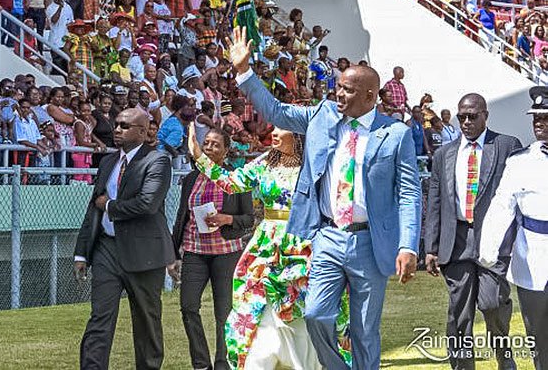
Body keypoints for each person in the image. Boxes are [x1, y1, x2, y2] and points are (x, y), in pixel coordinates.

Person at [228, 26, 421, 369]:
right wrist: (245, 71)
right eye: (338, 88)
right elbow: (275, 111)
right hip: (327, 236)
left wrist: (408, 245)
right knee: (316, 314)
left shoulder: (395, 134)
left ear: (370, 95)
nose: (338, 95)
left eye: (347, 90)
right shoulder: (321, 115)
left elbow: (408, 193)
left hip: (370, 241)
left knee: (364, 331)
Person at [189, 123, 351, 369]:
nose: (273, 134)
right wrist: (199, 156)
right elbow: (232, 183)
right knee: (255, 302)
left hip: (304, 242)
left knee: (304, 304)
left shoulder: (317, 164)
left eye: (281, 129)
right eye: (273, 128)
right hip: (266, 245)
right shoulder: (266, 162)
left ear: (298, 134)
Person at [424, 93, 522, 370]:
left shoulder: (505, 145)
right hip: (455, 241)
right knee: (459, 312)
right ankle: (462, 366)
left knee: (492, 304)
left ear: (485, 115)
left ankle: (504, 357)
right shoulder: (444, 154)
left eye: (472, 116)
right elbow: (435, 201)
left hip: (493, 241)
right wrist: (431, 248)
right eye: (462, 117)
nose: (466, 122)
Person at [74, 108, 174, 370]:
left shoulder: (157, 161)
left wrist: (110, 206)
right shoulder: (108, 162)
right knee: (99, 318)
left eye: (125, 126)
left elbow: (147, 205)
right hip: (107, 248)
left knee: (146, 321)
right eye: (116, 124)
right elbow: (92, 209)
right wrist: (82, 252)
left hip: (144, 252)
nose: (117, 129)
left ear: (143, 131)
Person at [170, 127, 254, 370]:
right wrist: (174, 254)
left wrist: (227, 219)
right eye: (206, 143)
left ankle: (222, 363)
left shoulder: (236, 178)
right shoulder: (190, 178)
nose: (209, 148)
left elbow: (248, 218)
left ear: (225, 151)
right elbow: (181, 217)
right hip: (195, 251)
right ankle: (200, 363)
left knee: (224, 313)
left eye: (216, 145)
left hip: (226, 252)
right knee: (188, 306)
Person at [479, 86, 548, 370]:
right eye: (536, 118)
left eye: (546, 117)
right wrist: (488, 250)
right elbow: (501, 206)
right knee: (539, 335)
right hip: (533, 260)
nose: (539, 123)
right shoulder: (519, 161)